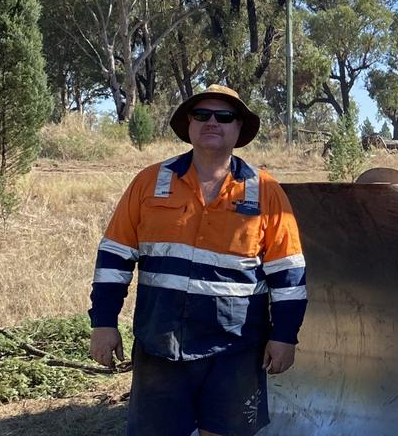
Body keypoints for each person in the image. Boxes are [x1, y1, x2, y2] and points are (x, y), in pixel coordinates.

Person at [88, 85, 307, 436]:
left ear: (239, 129)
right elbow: (114, 258)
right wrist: (103, 323)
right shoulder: (149, 183)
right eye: (202, 115)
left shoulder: (265, 190)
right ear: (188, 124)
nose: (212, 122)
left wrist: (285, 336)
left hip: (235, 348)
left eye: (225, 116)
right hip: (160, 343)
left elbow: (289, 276)